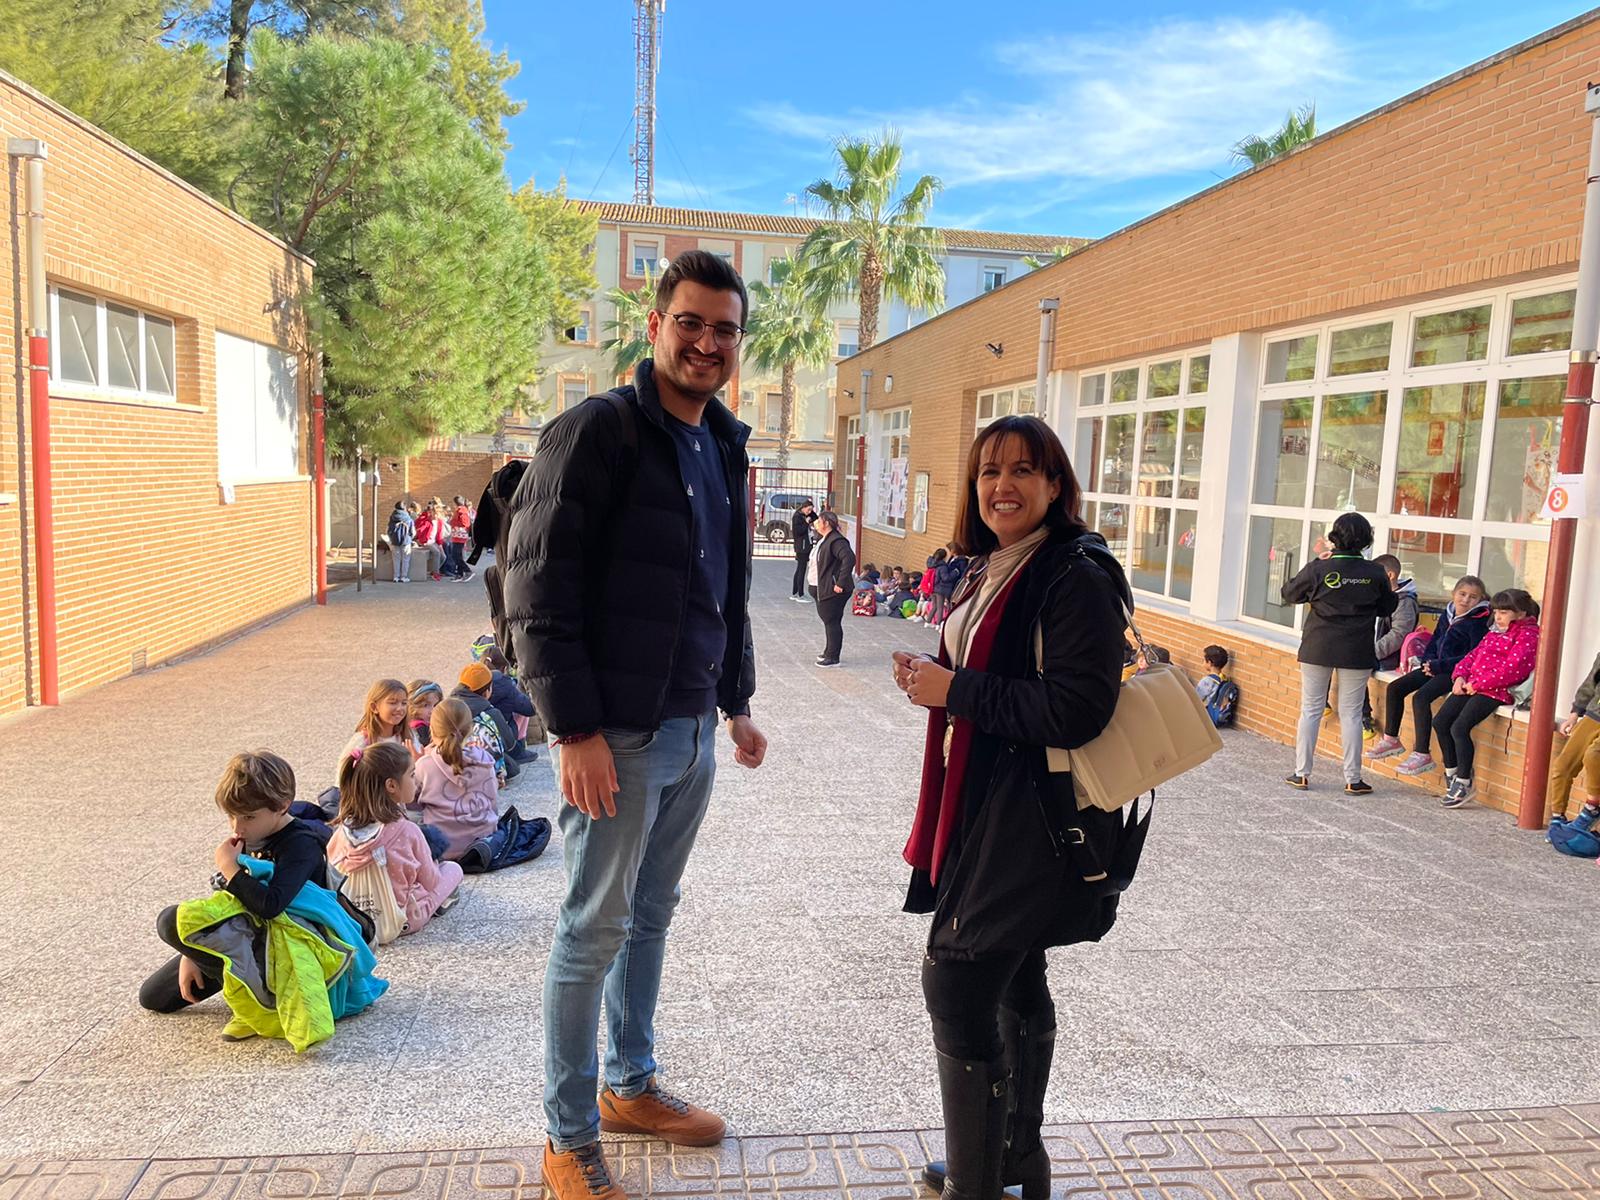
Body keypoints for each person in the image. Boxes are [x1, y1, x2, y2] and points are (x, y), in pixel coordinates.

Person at [499, 249, 768, 1200]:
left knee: (651, 915)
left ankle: (630, 1084)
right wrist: (571, 731)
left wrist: (735, 703)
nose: (706, 342)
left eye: (724, 329)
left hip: (691, 729)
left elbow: (720, 589)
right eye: (689, 322)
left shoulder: (724, 443)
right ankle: (568, 1138)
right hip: (613, 734)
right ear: (655, 326)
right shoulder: (598, 431)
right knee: (593, 926)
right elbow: (533, 587)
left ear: (739, 343)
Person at [891, 415, 1131, 1200]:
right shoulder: (995, 563)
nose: (1004, 486)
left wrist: (955, 690)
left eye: (1025, 471)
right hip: (988, 800)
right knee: (1014, 972)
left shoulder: (1073, 573)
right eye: (990, 471)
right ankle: (1008, 1157)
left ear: (1056, 485)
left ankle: (979, 1182)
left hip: (1031, 815)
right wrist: (942, 678)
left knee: (957, 982)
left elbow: (1076, 709)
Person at [138, 751, 334, 1014]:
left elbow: (271, 906)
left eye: (248, 817)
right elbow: (227, 896)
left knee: (169, 920)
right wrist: (191, 950)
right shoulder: (253, 832)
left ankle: (266, 998)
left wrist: (229, 866)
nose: (237, 826)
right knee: (154, 997)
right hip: (244, 934)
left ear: (283, 805)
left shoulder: (302, 844)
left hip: (288, 948)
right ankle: (246, 987)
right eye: (232, 815)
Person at [1280, 514, 1397, 795]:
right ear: (1366, 539)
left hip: (1318, 646)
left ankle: (1301, 774)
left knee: (1311, 709)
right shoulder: (1375, 572)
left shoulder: (1320, 567)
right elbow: (1386, 607)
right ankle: (1353, 779)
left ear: (1335, 536)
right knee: (1352, 714)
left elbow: (1289, 594)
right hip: (1356, 650)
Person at [326, 741, 463, 938]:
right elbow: (431, 881)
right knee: (452, 869)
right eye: (412, 775)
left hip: (353, 920)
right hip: (402, 920)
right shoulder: (407, 831)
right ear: (391, 785)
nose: (416, 782)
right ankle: (438, 904)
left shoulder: (342, 831)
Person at [1368, 576, 1489, 774]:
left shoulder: (1478, 622)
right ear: (1453, 594)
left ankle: (1422, 753)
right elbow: (1435, 641)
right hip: (1435, 666)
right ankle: (1391, 739)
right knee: (1396, 688)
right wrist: (1427, 661)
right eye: (1462, 594)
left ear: (1480, 600)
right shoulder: (1448, 613)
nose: (1466, 600)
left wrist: (1438, 666)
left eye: (1473, 597)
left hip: (1454, 672)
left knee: (1421, 698)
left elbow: (1472, 655)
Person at [1435, 589, 1540, 808]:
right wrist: (1460, 677)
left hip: (1496, 690)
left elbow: (1515, 669)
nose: (1498, 617)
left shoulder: (1528, 635)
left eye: (1503, 612)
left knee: (1460, 728)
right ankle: (1452, 772)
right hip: (1472, 684)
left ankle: (1464, 781)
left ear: (1520, 613)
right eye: (1496, 612)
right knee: (1441, 721)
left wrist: (1479, 684)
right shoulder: (1494, 631)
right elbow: (1473, 655)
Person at [1547, 645, 1600, 826]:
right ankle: (1557, 819)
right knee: (1562, 766)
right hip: (1594, 715)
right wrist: (1574, 713)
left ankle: (1593, 807)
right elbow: (1590, 683)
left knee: (1594, 756)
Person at [452, 662, 519, 782]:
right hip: (484, 768)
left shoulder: (447, 707)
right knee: (512, 766)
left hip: (452, 765)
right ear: (487, 691)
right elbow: (510, 744)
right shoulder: (491, 713)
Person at [480, 646, 539, 764]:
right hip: (504, 738)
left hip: (479, 738)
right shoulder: (506, 685)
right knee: (520, 707)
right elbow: (530, 709)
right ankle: (519, 749)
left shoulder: (473, 681)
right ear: (505, 668)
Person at [339, 679, 410, 777]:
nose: (400, 708)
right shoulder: (362, 741)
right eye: (393, 703)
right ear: (374, 707)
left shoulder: (407, 738)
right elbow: (343, 775)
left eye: (404, 703)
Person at [812, 510, 856, 667]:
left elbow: (849, 558)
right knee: (829, 620)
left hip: (834, 589)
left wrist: (840, 583)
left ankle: (833, 657)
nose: (815, 523)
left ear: (827, 523)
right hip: (824, 587)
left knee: (832, 621)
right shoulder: (825, 539)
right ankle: (828, 651)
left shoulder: (837, 541)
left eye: (818, 521)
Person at [790, 499, 817, 602]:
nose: (809, 512)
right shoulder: (797, 517)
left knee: (799, 569)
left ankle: (795, 592)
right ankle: (800, 594)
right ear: (803, 507)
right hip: (802, 547)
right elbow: (798, 532)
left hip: (806, 545)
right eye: (808, 509)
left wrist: (811, 512)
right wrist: (806, 523)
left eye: (811, 510)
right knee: (801, 570)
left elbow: (815, 517)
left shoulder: (806, 515)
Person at [411, 502, 445, 581]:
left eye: (438, 514)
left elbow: (439, 535)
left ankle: (433, 571)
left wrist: (440, 545)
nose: (436, 516)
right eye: (435, 513)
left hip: (433, 541)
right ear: (431, 512)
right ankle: (435, 574)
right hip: (425, 541)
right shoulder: (426, 520)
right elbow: (418, 526)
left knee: (443, 557)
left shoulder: (439, 522)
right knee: (436, 553)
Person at [387, 500, 415, 584]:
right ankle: (404, 577)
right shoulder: (408, 518)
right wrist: (410, 538)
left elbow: (388, 530)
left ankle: (396, 577)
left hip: (395, 541)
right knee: (406, 559)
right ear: (404, 508)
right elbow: (412, 532)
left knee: (396, 559)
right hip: (406, 541)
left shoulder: (392, 518)